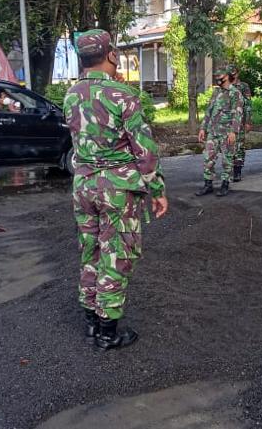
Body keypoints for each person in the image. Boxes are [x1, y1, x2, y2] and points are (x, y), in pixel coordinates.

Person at [63, 29, 169, 351]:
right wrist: (157, 188)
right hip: (117, 189)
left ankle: (92, 322)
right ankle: (109, 331)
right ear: (110, 54)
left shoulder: (71, 95)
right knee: (116, 254)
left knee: (90, 249)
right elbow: (144, 149)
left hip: (83, 185)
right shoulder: (123, 96)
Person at [195, 67, 244, 197]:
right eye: (216, 76)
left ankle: (225, 185)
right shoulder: (216, 92)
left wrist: (233, 131)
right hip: (213, 131)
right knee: (208, 158)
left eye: (220, 76)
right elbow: (209, 111)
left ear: (227, 76)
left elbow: (238, 114)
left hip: (227, 133)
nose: (217, 78)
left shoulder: (235, 93)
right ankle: (208, 185)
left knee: (227, 160)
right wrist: (202, 128)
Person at [228, 64, 253, 182]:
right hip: (226, 121)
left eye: (233, 73)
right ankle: (227, 170)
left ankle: (237, 171)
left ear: (237, 73)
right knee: (228, 145)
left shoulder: (243, 86)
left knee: (239, 146)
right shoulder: (225, 86)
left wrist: (248, 121)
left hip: (240, 121)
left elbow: (248, 104)